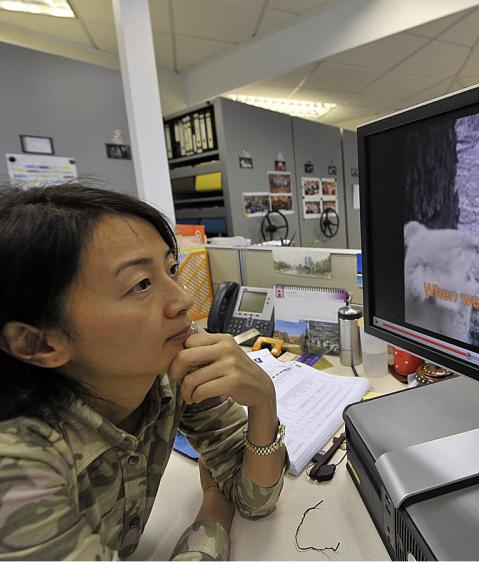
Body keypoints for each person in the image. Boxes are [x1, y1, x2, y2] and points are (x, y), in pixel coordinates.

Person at [0, 184, 288, 559]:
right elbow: (231, 495)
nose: (184, 300)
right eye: (140, 285)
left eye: (171, 269)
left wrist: (263, 402)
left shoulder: (172, 367)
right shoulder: (17, 464)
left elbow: (254, 499)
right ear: (39, 344)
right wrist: (213, 513)